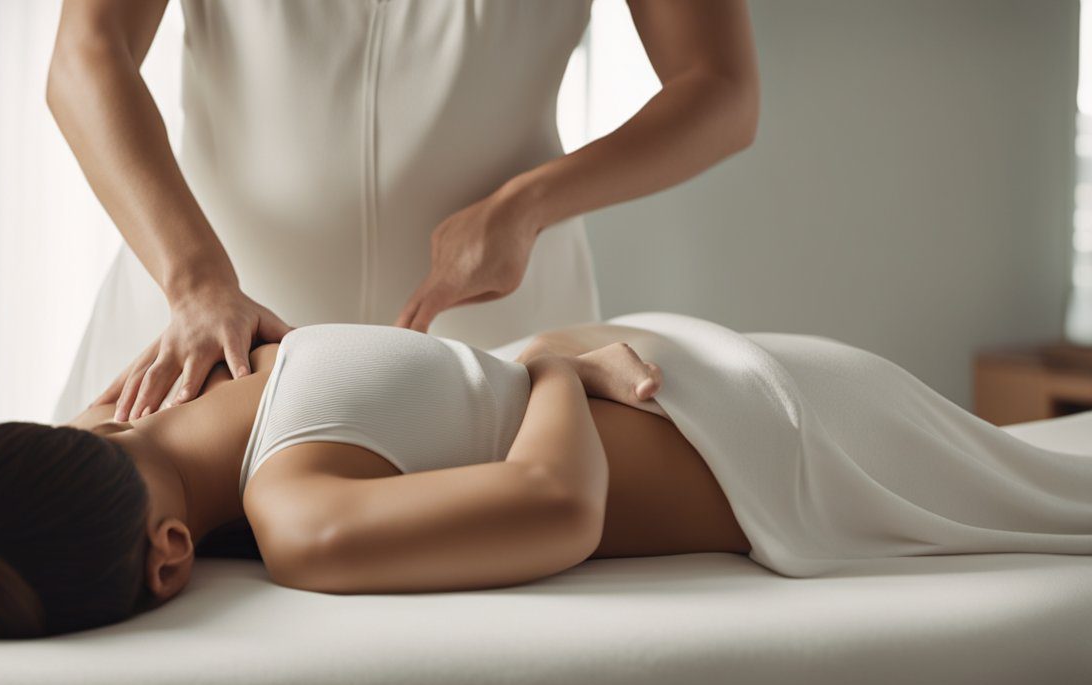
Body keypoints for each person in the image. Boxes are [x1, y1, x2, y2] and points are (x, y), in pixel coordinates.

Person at [0, 313, 1092, 639]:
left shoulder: (297, 512)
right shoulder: (242, 380)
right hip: (749, 379)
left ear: (168, 557)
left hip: (783, 435)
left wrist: (558, 363)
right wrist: (554, 361)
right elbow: (547, 499)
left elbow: (556, 508)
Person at [45, 0, 760, 424]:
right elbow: (84, 55)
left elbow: (720, 89)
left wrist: (528, 202)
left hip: (492, 333)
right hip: (201, 321)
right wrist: (194, 283)